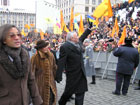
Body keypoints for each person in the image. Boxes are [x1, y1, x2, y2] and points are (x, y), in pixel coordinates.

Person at [0, 24, 43, 105]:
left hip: (24, 101)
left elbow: (31, 80)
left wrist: (37, 100)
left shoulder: (25, 55)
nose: (17, 38)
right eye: (12, 36)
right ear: (4, 40)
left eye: (18, 35)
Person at [55, 21, 93, 105]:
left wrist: (89, 29)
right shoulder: (65, 47)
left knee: (81, 92)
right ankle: (61, 102)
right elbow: (61, 62)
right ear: (71, 38)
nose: (78, 37)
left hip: (81, 73)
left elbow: (83, 36)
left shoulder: (78, 42)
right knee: (68, 93)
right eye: (76, 37)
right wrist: (58, 75)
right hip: (72, 74)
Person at [31, 40, 57, 105]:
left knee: (51, 99)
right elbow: (31, 73)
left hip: (51, 84)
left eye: (46, 46)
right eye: (44, 46)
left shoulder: (51, 55)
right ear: (40, 48)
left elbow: (54, 68)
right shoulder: (34, 58)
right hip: (40, 86)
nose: (46, 48)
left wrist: (55, 77)